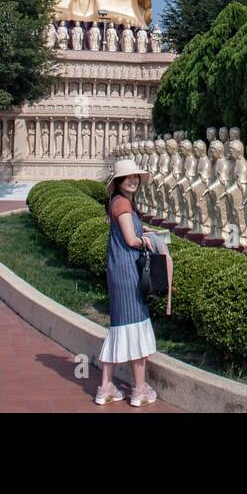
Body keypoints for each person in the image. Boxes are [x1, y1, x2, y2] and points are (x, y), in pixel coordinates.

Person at [97, 157, 162, 406]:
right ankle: (140, 389)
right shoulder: (123, 203)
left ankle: (105, 387)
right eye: (128, 177)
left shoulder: (120, 202)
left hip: (119, 270)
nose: (133, 180)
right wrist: (145, 240)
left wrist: (144, 233)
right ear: (119, 182)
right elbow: (130, 240)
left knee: (119, 327)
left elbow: (131, 232)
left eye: (135, 177)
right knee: (135, 325)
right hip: (127, 271)